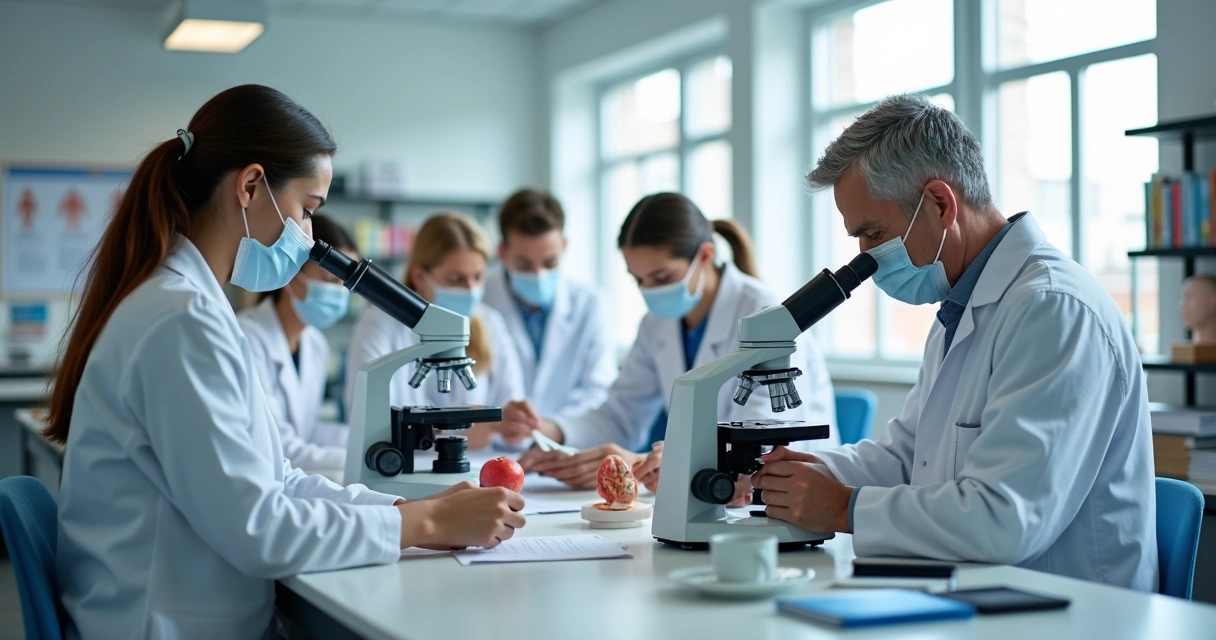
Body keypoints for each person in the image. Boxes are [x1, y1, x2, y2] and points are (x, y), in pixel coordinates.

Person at [48, 85, 525, 640]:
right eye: (306, 209)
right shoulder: (179, 321)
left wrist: (403, 505)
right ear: (250, 186)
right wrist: (427, 522)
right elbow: (259, 530)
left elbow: (278, 480)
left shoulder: (191, 306)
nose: (309, 236)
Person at [752, 93, 1156, 591]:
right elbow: (906, 458)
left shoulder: (1053, 310)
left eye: (873, 234)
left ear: (941, 204)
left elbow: (1005, 518)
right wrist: (780, 478)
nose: (865, 259)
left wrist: (841, 507)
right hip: (973, 591)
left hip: (1069, 610)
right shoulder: (960, 308)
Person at [510, 192, 837, 490]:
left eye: (662, 277)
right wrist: (548, 430)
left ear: (705, 256)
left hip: (779, 493)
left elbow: (764, 435)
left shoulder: (767, 316)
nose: (649, 290)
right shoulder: (657, 324)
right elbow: (621, 414)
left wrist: (648, 461)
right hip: (711, 493)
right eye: (639, 279)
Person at [345, 211, 525, 450]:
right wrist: (447, 433)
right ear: (420, 275)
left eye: (478, 277)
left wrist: (515, 422)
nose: (470, 290)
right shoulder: (380, 323)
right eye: (456, 279)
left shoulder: (492, 322)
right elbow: (365, 418)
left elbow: (509, 405)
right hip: (404, 466)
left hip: (478, 465)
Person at [238, 213, 356, 479]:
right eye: (328, 280)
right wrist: (365, 456)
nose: (338, 291)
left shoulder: (315, 343)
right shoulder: (247, 336)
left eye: (344, 282)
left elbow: (308, 431)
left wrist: (371, 439)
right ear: (292, 271)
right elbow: (279, 444)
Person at [482, 188, 616, 420]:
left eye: (550, 262)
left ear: (564, 246)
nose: (538, 274)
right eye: (524, 264)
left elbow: (598, 389)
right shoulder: (479, 298)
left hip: (566, 442)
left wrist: (551, 430)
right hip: (491, 445)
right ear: (502, 253)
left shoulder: (591, 303)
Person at [1180, 274, 1216, 344]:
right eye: (1184, 299)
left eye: (1190, 297)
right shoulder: (1181, 353)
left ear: (1214, 302)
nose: (1183, 306)